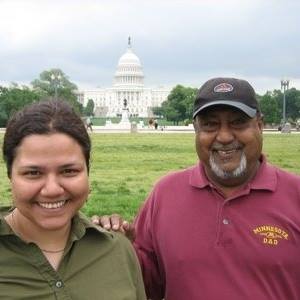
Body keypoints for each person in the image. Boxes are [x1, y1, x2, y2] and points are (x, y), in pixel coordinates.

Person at [97, 77, 300, 300]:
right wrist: (121, 249)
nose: (223, 136)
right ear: (196, 130)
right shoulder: (165, 194)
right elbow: (148, 285)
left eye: (238, 122)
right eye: (210, 124)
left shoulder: (295, 195)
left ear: (259, 126)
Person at [0, 100, 146, 300]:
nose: (52, 190)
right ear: (10, 176)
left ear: (88, 172)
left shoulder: (117, 250)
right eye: (33, 173)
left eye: (69, 171)